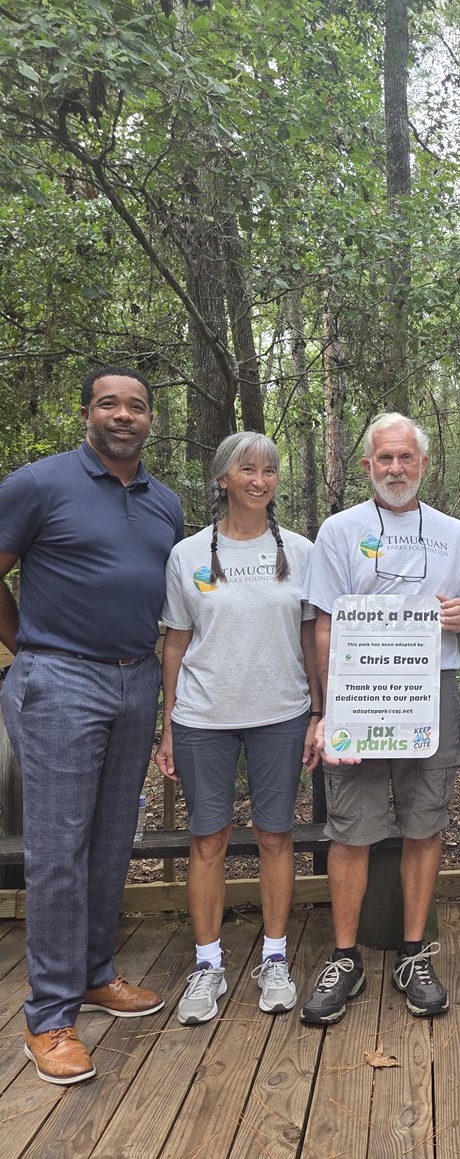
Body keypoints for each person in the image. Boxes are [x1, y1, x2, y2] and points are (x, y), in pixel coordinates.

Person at [0, 368, 184, 1085]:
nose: (124, 415)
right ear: (87, 414)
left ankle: (95, 974)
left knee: (111, 839)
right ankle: (48, 1015)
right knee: (58, 849)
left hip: (136, 678)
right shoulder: (38, 484)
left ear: (150, 420)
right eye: (110, 403)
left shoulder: (164, 502)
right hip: (61, 680)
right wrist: (27, 647)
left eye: (136, 406)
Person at [300, 413, 460, 1024]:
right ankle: (345, 956)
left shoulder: (454, 533)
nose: (396, 469)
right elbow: (323, 625)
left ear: (423, 463)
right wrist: (327, 710)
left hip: (431, 692)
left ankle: (413, 953)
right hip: (358, 694)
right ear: (368, 465)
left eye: (406, 458)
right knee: (351, 828)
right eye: (385, 458)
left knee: (424, 823)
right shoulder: (339, 530)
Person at [157, 432, 322, 1025]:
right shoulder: (187, 554)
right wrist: (168, 725)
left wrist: (319, 712)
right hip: (203, 717)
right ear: (223, 478)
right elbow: (175, 643)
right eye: (247, 469)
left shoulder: (300, 551)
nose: (259, 480)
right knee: (209, 838)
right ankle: (208, 964)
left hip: (282, 713)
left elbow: (311, 636)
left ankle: (274, 958)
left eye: (269, 471)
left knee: (276, 835)